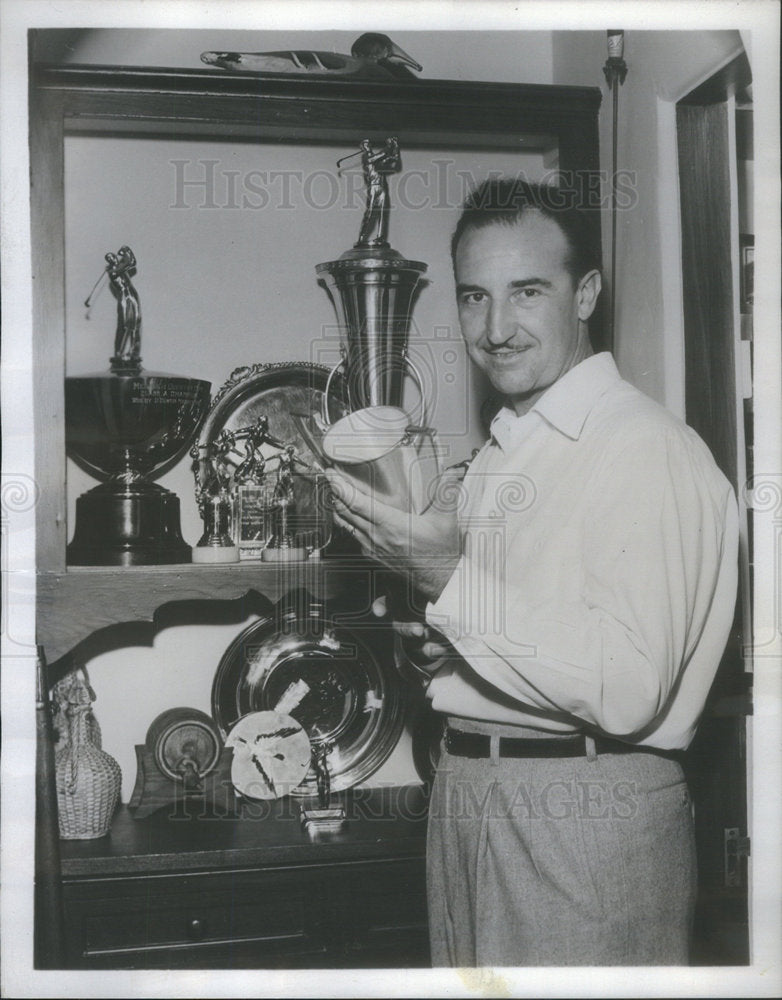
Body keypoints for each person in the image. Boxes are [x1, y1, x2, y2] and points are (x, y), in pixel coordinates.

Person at [326, 178, 739, 967]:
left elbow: (628, 685)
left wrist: (449, 576)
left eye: (527, 293)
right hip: (471, 794)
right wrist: (434, 640)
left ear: (584, 294)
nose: (495, 327)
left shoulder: (642, 447)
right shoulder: (506, 448)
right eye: (474, 296)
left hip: (583, 810)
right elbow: (515, 633)